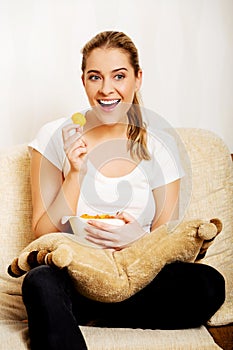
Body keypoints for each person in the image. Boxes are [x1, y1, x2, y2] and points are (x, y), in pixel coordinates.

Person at [22, 31, 225, 350]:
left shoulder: (161, 144)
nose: (106, 89)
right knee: (40, 281)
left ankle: (91, 316)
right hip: (77, 276)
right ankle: (80, 313)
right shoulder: (55, 136)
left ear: (137, 78)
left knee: (209, 284)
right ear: (83, 80)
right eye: (95, 77)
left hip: (138, 279)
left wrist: (140, 241)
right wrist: (76, 173)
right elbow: (41, 233)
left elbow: (168, 237)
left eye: (119, 75)